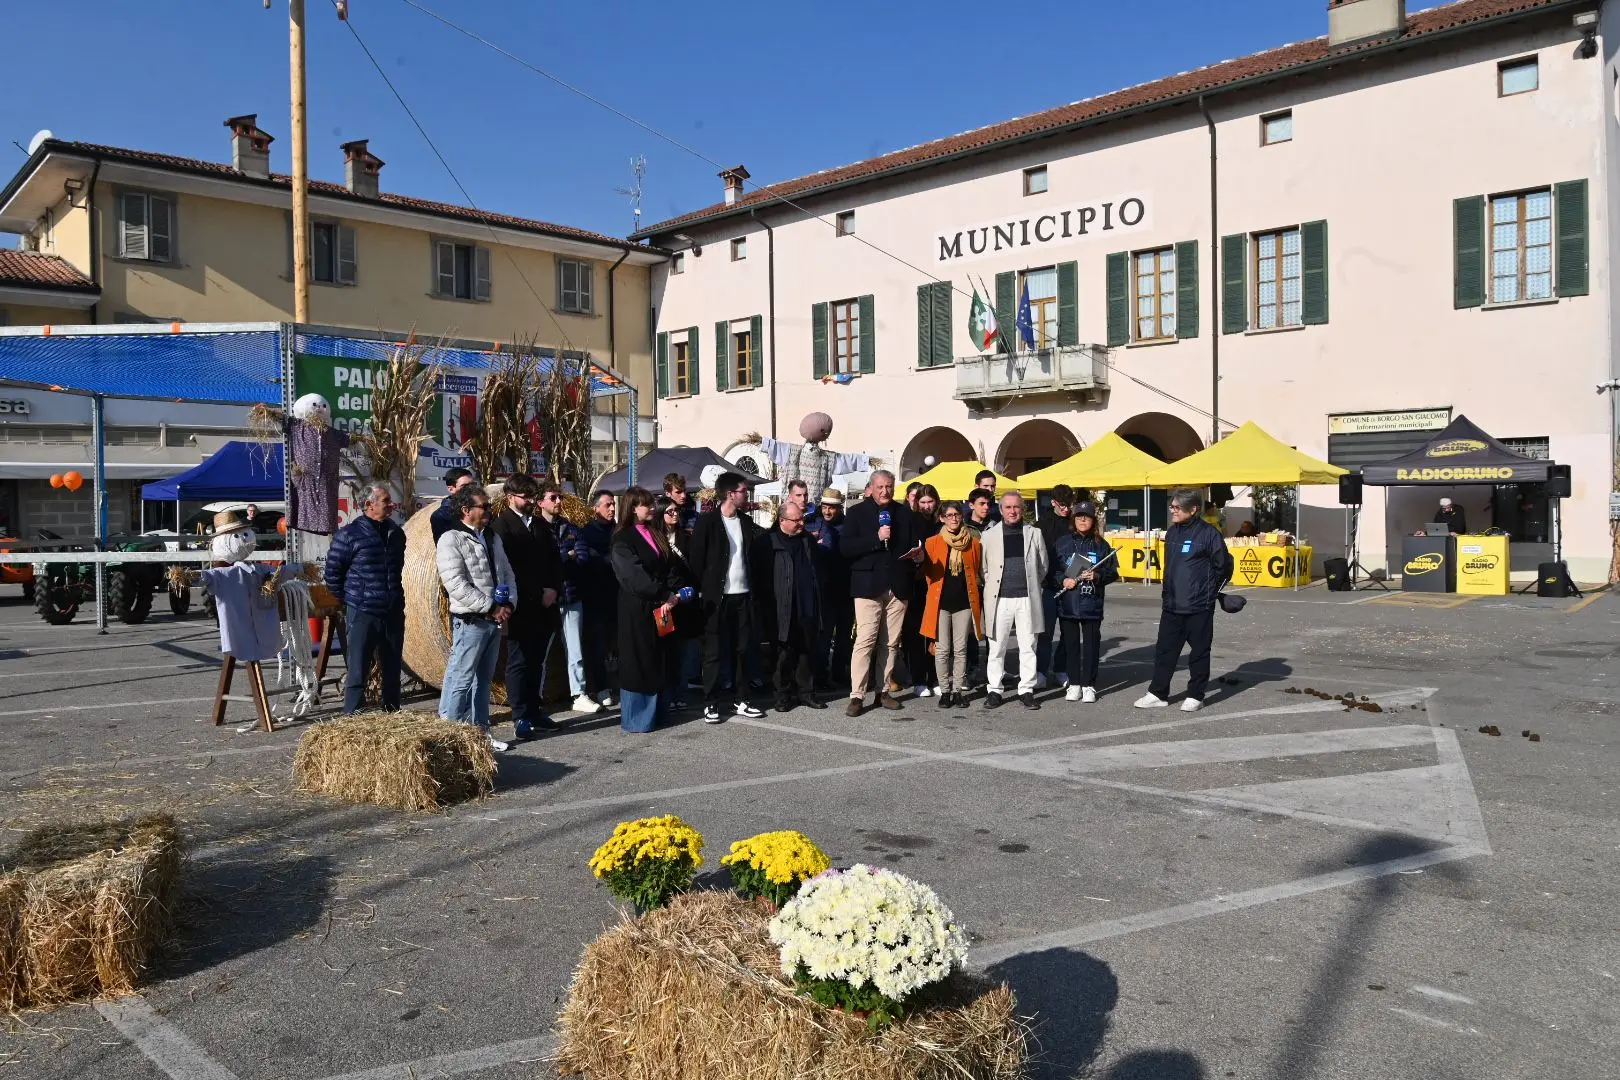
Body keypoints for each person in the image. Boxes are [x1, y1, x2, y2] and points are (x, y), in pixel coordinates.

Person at [1137, 489, 1234, 713]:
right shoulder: (1172, 533)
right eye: (1171, 506)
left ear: (1193, 510)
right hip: (1171, 605)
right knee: (1164, 651)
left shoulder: (1210, 534)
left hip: (1199, 605)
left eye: (1177, 507)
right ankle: (1158, 693)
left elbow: (1224, 567)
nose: (1172, 510)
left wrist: (1209, 594)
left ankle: (1195, 695)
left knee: (1199, 652)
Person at [436, 485, 517, 750]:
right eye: (484, 506)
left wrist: (509, 605)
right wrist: (490, 606)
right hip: (471, 620)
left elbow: (506, 572)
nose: (489, 511)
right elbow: (456, 584)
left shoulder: (492, 537)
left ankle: (481, 734)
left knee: (484, 681)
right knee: (461, 679)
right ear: (466, 510)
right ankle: (453, 736)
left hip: (494, 619)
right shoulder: (451, 539)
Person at [840, 469, 926, 715]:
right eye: (880, 487)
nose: (885, 491)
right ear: (871, 487)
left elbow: (914, 543)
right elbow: (846, 548)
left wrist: (918, 556)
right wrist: (876, 538)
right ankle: (857, 695)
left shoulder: (904, 514)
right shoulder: (856, 513)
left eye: (889, 487)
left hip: (898, 587)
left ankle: (883, 691)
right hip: (868, 586)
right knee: (865, 641)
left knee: (890, 642)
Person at [687, 471, 765, 722]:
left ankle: (741, 699)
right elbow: (696, 560)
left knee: (742, 650)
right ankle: (711, 702)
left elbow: (761, 544)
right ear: (730, 494)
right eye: (743, 491)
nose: (746, 494)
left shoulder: (745, 522)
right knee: (714, 652)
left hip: (743, 596)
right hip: (716, 598)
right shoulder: (707, 522)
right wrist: (701, 591)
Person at [323, 485, 406, 714]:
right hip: (363, 612)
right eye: (386, 500)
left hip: (392, 611)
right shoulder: (349, 535)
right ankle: (352, 720)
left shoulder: (397, 533)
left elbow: (397, 570)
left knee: (392, 671)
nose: (392, 504)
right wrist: (352, 599)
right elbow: (332, 574)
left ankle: (392, 717)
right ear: (369, 505)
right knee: (358, 670)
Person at [491, 473, 561, 741]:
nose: (531, 500)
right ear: (510, 497)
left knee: (536, 661)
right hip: (522, 605)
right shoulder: (502, 527)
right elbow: (508, 570)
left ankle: (535, 710)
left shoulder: (541, 525)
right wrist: (536, 593)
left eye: (533, 495)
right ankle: (520, 715)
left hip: (545, 604)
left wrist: (553, 589)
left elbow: (554, 561)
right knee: (519, 662)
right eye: (525, 496)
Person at [611, 488, 677, 733]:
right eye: (646, 504)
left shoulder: (654, 533)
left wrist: (672, 592)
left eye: (651, 504)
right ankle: (638, 717)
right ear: (633, 507)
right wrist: (663, 593)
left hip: (660, 606)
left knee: (657, 656)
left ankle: (659, 711)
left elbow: (667, 565)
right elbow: (633, 576)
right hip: (636, 608)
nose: (651, 508)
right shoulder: (623, 539)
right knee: (638, 659)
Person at [751, 501, 826, 712]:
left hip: (806, 606)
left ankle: (806, 693)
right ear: (782, 520)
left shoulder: (807, 541)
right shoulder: (766, 542)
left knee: (806, 651)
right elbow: (759, 577)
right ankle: (782, 696)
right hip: (780, 609)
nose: (802, 523)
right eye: (796, 520)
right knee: (783, 655)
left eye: (802, 518)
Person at [980, 492, 1049, 710]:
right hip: (999, 600)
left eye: (1016, 507)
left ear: (1023, 509)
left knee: (1028, 645)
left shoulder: (1034, 533)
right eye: (1008, 507)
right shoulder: (989, 536)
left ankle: (1026, 689)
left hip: (1027, 599)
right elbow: (983, 569)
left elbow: (1043, 566)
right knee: (996, 646)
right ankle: (994, 690)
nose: (1012, 511)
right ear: (1001, 510)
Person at [538, 481, 600, 715]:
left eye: (559, 497)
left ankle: (579, 694)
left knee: (575, 650)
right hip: (546, 600)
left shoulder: (572, 528)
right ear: (540, 501)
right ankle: (536, 696)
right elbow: (544, 562)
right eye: (552, 497)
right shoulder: (535, 528)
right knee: (540, 653)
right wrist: (566, 554)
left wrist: (564, 556)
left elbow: (583, 558)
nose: (558, 502)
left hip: (571, 596)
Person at [1048, 501, 1117, 703]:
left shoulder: (1102, 545)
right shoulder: (1062, 543)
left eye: (1086, 517)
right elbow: (1052, 570)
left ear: (1093, 520)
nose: (1083, 520)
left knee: (1091, 647)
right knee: (1070, 646)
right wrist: (1063, 580)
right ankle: (1075, 684)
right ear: (1074, 519)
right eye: (1079, 517)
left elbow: (1112, 572)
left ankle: (1089, 685)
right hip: (1068, 604)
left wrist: (1097, 576)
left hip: (1092, 604)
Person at [919, 503, 983, 708]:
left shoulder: (973, 543)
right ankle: (945, 691)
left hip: (964, 602)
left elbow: (977, 571)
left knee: (961, 648)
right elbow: (927, 571)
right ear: (942, 518)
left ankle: (957, 691)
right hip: (940, 603)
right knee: (943, 649)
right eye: (949, 515)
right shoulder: (932, 542)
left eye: (957, 515)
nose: (954, 519)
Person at [657, 494, 702, 709]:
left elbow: (694, 566)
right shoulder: (655, 537)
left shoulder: (685, 536)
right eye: (670, 511)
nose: (675, 514)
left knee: (683, 649)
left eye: (677, 511)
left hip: (685, 599)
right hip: (664, 601)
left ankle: (680, 692)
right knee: (667, 650)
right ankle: (667, 692)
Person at [808, 488, 853, 690]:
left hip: (845, 587)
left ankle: (839, 672)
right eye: (825, 507)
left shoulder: (849, 526)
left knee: (844, 635)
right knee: (824, 636)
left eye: (832, 508)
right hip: (823, 589)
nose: (827, 511)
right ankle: (820, 675)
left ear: (839, 507)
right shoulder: (813, 522)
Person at [579, 489, 620, 707]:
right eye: (607, 505)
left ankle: (619, 683)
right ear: (595, 508)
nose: (612, 508)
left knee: (617, 643)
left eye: (613, 504)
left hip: (617, 594)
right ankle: (601, 687)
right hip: (595, 596)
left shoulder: (619, 530)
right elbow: (589, 560)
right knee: (597, 644)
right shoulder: (587, 533)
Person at [1035, 484, 1076, 690]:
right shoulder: (1041, 524)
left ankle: (1061, 669)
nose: (1066, 509)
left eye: (1069, 505)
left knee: (1068, 631)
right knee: (1045, 632)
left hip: (1071, 585)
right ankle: (1041, 671)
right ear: (1053, 503)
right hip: (1049, 585)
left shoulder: (1075, 522)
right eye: (1062, 505)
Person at [903, 484, 942, 698]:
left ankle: (934, 676)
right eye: (923, 502)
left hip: (936, 582)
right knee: (917, 634)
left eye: (930, 502)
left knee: (935, 634)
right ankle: (919, 679)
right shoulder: (912, 521)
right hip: (917, 583)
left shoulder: (939, 523)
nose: (927, 506)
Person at [430, 468, 476, 543]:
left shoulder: (480, 508)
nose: (470, 489)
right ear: (451, 489)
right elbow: (445, 547)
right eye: (464, 486)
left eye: (473, 484)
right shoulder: (441, 516)